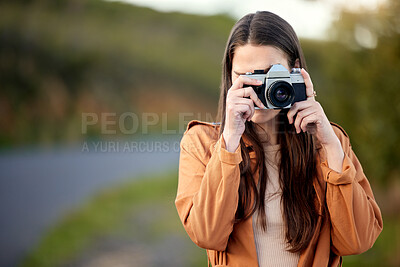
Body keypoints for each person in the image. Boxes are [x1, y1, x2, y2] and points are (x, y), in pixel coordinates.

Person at [175, 11, 383, 267]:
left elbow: (358, 241)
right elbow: (207, 234)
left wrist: (329, 144)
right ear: (229, 77)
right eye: (245, 77)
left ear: (295, 70)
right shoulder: (202, 143)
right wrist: (229, 141)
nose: (259, 91)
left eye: (269, 75)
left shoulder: (329, 142)